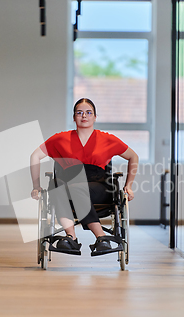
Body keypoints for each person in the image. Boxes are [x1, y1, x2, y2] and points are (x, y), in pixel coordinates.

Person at [30, 98, 138, 255]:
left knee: (74, 188)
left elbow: (133, 156)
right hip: (67, 183)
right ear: (74, 117)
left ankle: (98, 236)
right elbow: (35, 156)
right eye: (79, 113)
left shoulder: (107, 139)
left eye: (89, 112)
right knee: (56, 186)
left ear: (95, 117)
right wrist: (36, 186)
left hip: (99, 185)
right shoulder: (60, 139)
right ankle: (73, 236)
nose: (84, 116)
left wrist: (129, 185)